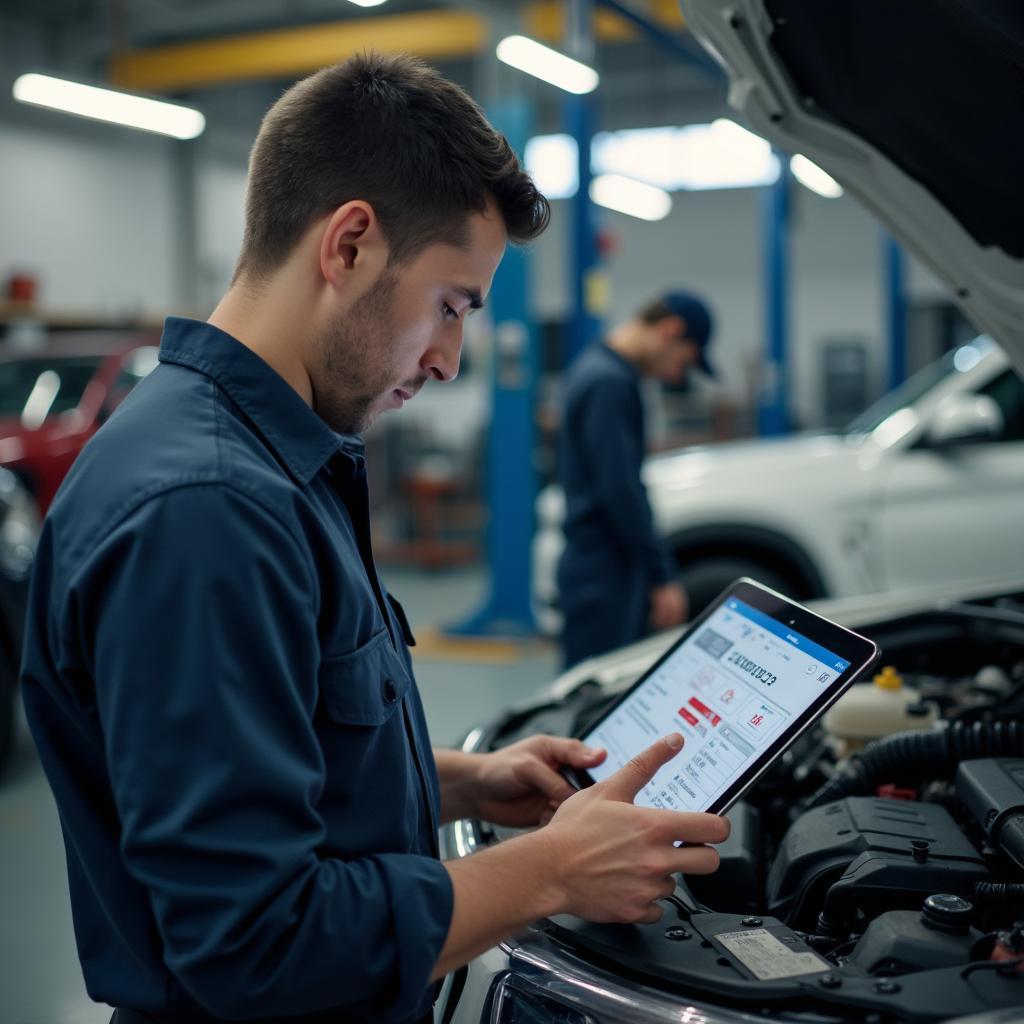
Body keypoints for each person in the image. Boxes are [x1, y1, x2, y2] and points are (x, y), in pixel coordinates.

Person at [20, 54, 727, 1024]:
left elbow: (273, 751)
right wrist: (550, 873)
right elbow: (256, 941)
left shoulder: (271, 460)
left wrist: (467, 782)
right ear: (349, 243)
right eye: (450, 305)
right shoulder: (208, 508)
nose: (447, 358)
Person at [557, 291, 715, 668]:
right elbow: (620, 488)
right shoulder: (610, 382)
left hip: (594, 564)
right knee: (596, 694)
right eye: (684, 360)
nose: (677, 374)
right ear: (670, 331)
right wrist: (662, 575)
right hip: (604, 570)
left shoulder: (595, 368)